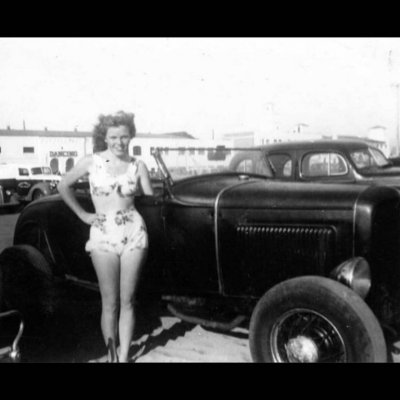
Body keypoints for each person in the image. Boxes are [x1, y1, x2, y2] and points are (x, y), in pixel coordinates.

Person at [58, 111, 154, 362]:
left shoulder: (138, 165)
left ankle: (123, 356)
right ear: (105, 137)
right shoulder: (92, 162)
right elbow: (62, 185)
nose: (119, 142)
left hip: (133, 232)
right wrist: (83, 215)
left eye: (124, 137)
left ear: (131, 136)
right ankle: (111, 355)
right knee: (110, 302)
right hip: (102, 234)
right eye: (113, 137)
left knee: (128, 300)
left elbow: (152, 199)